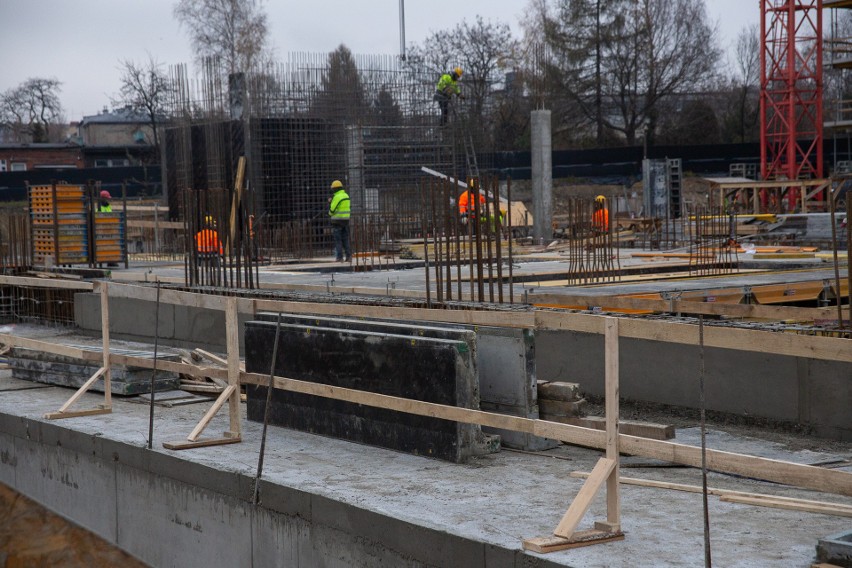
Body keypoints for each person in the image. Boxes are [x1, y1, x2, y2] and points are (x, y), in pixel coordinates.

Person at [328, 180, 351, 262]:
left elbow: (332, 210)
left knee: (338, 240)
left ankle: (339, 257)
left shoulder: (337, 197)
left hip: (337, 222)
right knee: (345, 239)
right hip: (345, 221)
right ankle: (349, 257)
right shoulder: (346, 195)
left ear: (335, 189)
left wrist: (330, 203)